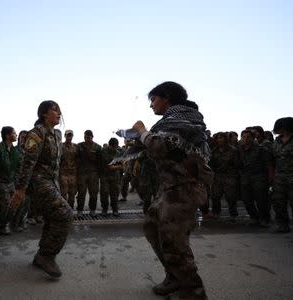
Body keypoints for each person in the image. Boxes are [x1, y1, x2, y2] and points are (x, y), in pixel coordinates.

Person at [133, 81, 213, 300]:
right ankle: (174, 277)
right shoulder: (173, 120)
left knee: (175, 244)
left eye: (153, 100)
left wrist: (142, 132)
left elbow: (160, 147)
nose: (151, 105)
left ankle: (193, 294)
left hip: (183, 189)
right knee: (152, 227)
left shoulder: (182, 117)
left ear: (166, 98)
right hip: (169, 188)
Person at [10, 100, 74, 278]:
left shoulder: (58, 134)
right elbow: (27, 163)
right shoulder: (36, 133)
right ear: (44, 113)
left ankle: (41, 256)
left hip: (52, 182)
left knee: (52, 218)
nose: (59, 113)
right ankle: (47, 255)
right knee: (65, 214)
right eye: (54, 110)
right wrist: (21, 189)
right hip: (39, 182)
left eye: (59, 110)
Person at [238, 129, 272, 227]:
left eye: (248, 137)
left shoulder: (261, 149)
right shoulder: (240, 149)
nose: (246, 139)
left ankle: (264, 219)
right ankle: (254, 217)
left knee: (261, 199)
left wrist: (270, 177)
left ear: (253, 138)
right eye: (243, 137)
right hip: (245, 176)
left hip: (259, 176)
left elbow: (269, 164)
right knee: (246, 199)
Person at [0, 126, 19, 235]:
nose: (16, 135)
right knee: (3, 205)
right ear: (7, 135)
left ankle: (5, 224)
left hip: (10, 181)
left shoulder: (14, 150)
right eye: (14, 133)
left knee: (14, 203)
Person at [209, 132, 240, 220]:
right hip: (218, 176)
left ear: (225, 139)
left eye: (221, 138)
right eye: (218, 138)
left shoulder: (233, 150)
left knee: (231, 197)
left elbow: (237, 164)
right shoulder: (214, 151)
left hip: (230, 176)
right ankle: (216, 213)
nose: (220, 140)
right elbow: (211, 164)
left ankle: (233, 215)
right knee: (215, 196)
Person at [271, 117, 293, 233]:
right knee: (278, 201)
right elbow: (272, 159)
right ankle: (282, 225)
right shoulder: (276, 141)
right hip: (279, 177)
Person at [76, 130, 102, 216]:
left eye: (88, 137)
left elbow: (100, 161)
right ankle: (80, 210)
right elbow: (76, 158)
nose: (86, 139)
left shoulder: (98, 147)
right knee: (81, 193)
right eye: (85, 137)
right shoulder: (79, 146)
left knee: (93, 192)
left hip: (93, 173)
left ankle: (92, 210)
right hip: (82, 173)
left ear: (92, 137)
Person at [99, 138, 121, 216]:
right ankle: (104, 209)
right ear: (110, 145)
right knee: (104, 193)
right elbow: (109, 166)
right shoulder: (104, 152)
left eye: (116, 146)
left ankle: (115, 209)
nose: (115, 148)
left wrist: (119, 167)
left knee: (115, 193)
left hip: (115, 176)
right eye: (114, 146)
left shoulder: (118, 153)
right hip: (105, 176)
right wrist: (119, 167)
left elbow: (123, 164)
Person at [60, 130, 78, 208]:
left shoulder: (76, 147)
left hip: (73, 173)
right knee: (63, 193)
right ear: (65, 136)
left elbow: (78, 159)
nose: (69, 137)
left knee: (72, 193)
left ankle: (70, 209)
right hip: (63, 173)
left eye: (70, 135)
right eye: (68, 135)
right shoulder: (60, 146)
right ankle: (64, 210)